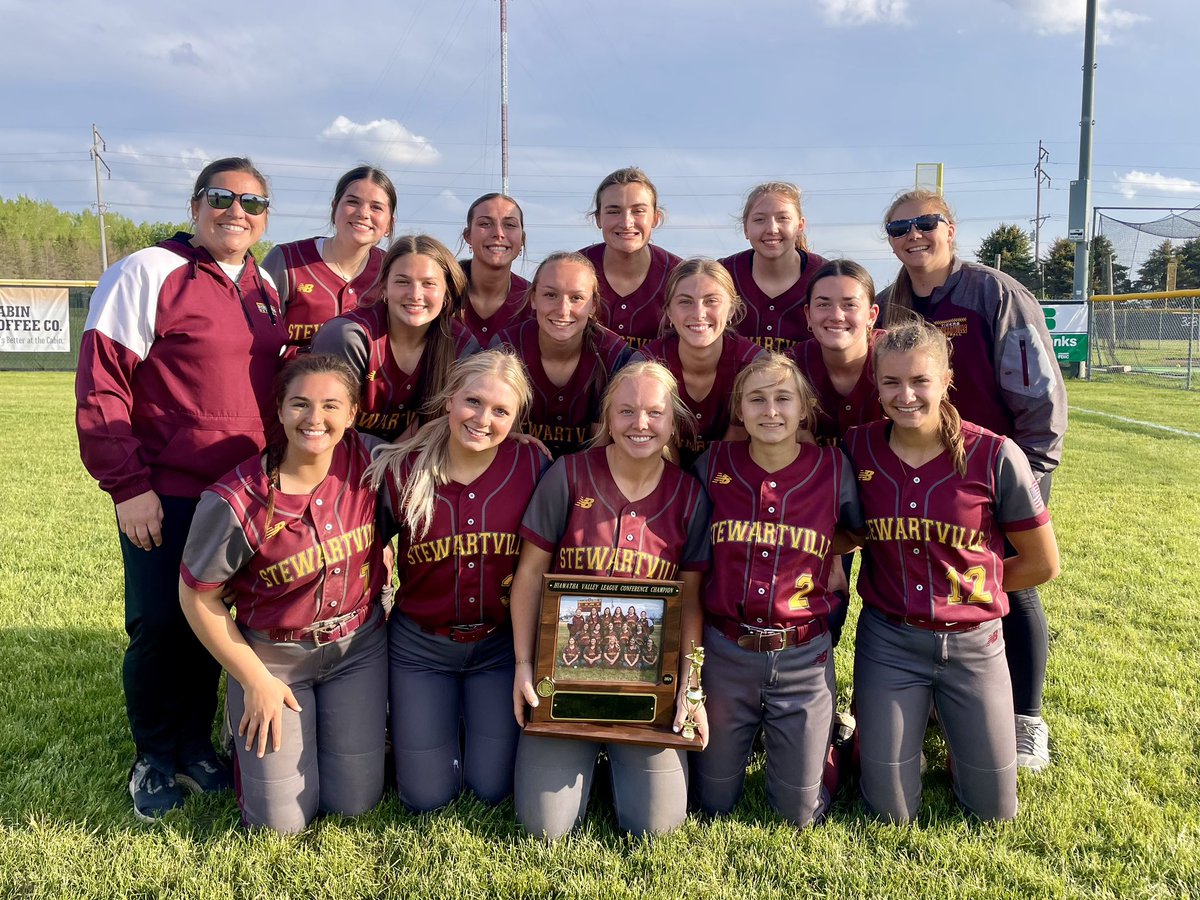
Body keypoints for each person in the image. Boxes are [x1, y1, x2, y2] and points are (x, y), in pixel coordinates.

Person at [75, 156, 286, 822]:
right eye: (222, 197)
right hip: (164, 491)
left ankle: (196, 747)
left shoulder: (263, 286)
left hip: (239, 496)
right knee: (160, 626)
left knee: (212, 624)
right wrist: (127, 487)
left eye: (253, 203)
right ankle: (154, 755)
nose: (237, 212)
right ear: (195, 206)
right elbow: (102, 385)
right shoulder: (148, 271)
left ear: (266, 218)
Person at [878, 189, 1067, 771]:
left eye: (925, 222)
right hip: (916, 472)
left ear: (951, 228)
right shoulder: (888, 305)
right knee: (930, 582)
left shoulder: (994, 294)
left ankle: (1026, 718)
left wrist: (1029, 474)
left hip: (992, 471)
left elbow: (1039, 395)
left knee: (1009, 585)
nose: (913, 234)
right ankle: (944, 695)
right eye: (899, 227)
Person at [844, 321, 1060, 823]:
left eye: (920, 380)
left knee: (993, 810)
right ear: (876, 384)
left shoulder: (994, 453)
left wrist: (970, 592)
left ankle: (954, 730)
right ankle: (887, 733)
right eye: (892, 382)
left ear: (946, 380)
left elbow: (1042, 563)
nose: (906, 396)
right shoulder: (857, 448)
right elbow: (844, 532)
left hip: (974, 644)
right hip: (889, 641)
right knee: (889, 809)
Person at [179, 354, 388, 833]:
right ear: (279, 409)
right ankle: (240, 719)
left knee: (355, 803)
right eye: (300, 404)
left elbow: (448, 455)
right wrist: (255, 680)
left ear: (352, 414)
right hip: (274, 658)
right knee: (279, 824)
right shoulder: (238, 499)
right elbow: (197, 597)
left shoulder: (371, 461)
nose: (315, 418)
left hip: (357, 650)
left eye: (331, 405)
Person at [510, 362, 710, 838]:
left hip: (647, 690)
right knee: (545, 829)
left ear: (673, 421)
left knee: (658, 828)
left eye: (654, 412)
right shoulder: (569, 474)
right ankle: (587, 758)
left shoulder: (689, 495)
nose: (640, 423)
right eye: (626, 411)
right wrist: (523, 665)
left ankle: (616, 763)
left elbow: (691, 602)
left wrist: (691, 684)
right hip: (564, 682)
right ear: (607, 417)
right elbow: (530, 575)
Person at [365, 350, 546, 812]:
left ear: (516, 420)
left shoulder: (532, 465)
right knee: (427, 797)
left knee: (491, 790)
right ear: (449, 400)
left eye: (501, 411)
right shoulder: (403, 468)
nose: (483, 419)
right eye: (473, 402)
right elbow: (362, 550)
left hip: (497, 648)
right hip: (420, 650)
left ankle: (463, 724)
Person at [692, 354, 863, 826]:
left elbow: (858, 530)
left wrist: (829, 553)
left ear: (804, 408)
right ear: (739, 410)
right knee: (711, 802)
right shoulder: (714, 464)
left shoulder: (832, 467)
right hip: (727, 650)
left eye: (783, 398)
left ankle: (829, 749)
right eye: (757, 399)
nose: (770, 410)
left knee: (799, 815)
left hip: (803, 656)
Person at [312, 235, 480, 441]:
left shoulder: (461, 344)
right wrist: (385, 455)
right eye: (402, 282)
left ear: (447, 292)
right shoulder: (347, 336)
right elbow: (324, 424)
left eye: (428, 283)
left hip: (418, 454)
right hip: (342, 452)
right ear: (384, 286)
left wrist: (398, 454)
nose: (415, 294)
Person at [490, 252, 630, 458]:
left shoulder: (613, 353)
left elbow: (600, 448)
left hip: (588, 467)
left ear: (593, 305)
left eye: (576, 298)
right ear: (533, 298)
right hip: (518, 461)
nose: (563, 310)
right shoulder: (506, 347)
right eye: (551, 295)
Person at [631, 257, 764, 468]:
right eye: (685, 302)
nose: (699, 313)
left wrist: (703, 481)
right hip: (659, 473)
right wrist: (681, 483)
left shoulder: (754, 365)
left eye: (711, 301)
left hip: (734, 474)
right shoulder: (645, 364)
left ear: (731, 309)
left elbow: (738, 439)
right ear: (669, 311)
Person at [261, 166, 396, 356]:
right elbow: (256, 340)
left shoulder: (393, 269)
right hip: (294, 375)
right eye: (353, 202)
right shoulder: (286, 260)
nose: (363, 213)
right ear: (334, 208)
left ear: (390, 223)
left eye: (376, 207)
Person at [720, 182, 828, 353]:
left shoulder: (828, 277)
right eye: (759, 220)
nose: (771, 229)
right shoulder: (722, 275)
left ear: (800, 226)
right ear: (746, 228)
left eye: (783, 218)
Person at [579, 167, 682, 348]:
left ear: (655, 218)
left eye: (638, 211)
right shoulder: (573, 270)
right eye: (613, 211)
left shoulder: (679, 276)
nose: (626, 223)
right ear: (598, 218)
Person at [788, 259, 886, 447]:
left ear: (872, 315)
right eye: (823, 305)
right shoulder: (790, 367)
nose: (836, 316)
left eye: (850, 305)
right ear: (808, 315)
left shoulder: (902, 356)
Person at [458, 193, 531, 345]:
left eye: (510, 225)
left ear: (522, 240)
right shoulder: (441, 291)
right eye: (485, 224)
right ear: (468, 236)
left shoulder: (533, 301)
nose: (498, 233)